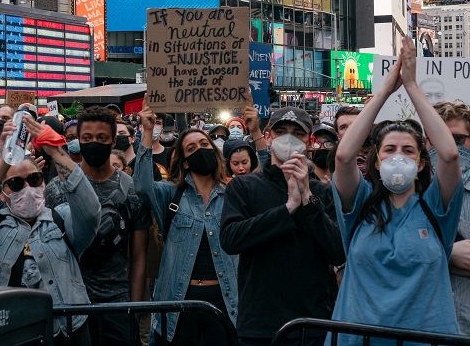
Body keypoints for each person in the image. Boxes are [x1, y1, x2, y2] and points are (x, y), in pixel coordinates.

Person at [331, 38, 463, 341]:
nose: (398, 156)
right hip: (357, 338)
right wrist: (386, 90)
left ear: (420, 163)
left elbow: (449, 154)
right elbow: (343, 156)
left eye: (408, 150)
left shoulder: (436, 207)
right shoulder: (360, 204)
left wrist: (413, 86)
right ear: (376, 161)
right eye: (389, 149)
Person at [0, 115, 101, 345]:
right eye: (16, 183)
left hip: (64, 332)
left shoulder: (61, 219)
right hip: (5, 333)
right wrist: (5, 158)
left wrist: (55, 151)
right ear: (3, 192)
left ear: (43, 182)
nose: (27, 187)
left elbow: (91, 212)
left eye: (34, 179)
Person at [220, 106, 344, 346]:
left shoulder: (321, 193)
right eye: (281, 131)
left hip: (312, 323)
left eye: (297, 133)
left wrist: (307, 201)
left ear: (309, 141)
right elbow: (230, 239)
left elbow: (337, 250)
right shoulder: (244, 187)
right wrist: (287, 209)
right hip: (260, 325)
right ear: (268, 136)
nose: (289, 138)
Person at [44, 106, 150, 346]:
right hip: (71, 302)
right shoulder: (57, 189)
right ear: (78, 141)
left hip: (117, 302)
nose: (94, 143)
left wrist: (133, 307)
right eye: (87, 138)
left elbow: (139, 255)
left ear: (113, 141)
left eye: (102, 138)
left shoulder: (131, 190)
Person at [135, 103, 238, 345]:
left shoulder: (233, 193)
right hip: (179, 299)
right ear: (185, 162)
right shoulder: (171, 194)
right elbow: (141, 187)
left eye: (204, 145)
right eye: (192, 148)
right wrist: (147, 135)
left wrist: (256, 134)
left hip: (225, 299)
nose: (200, 150)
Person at [435, 101, 470, 334]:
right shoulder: (408, 189)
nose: (448, 147)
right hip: (426, 322)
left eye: (457, 139)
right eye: (438, 137)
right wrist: (446, 253)